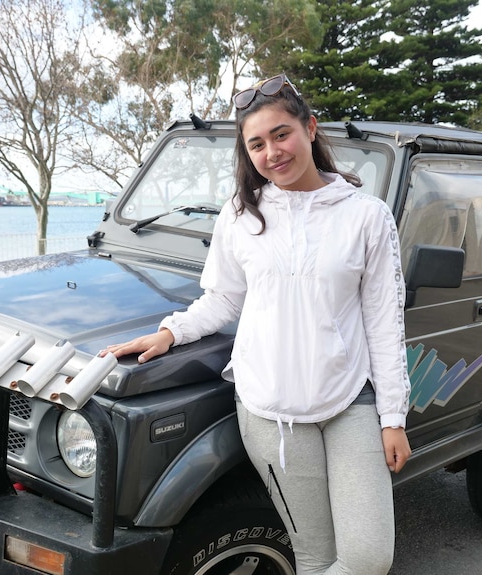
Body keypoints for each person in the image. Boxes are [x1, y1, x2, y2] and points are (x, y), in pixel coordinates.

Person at [103, 73, 411, 575]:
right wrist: (170, 332)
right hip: (268, 410)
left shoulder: (367, 216)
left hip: (350, 399)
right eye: (257, 144)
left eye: (282, 134)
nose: (273, 152)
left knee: (367, 558)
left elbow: (383, 323)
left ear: (310, 129)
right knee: (313, 554)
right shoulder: (239, 215)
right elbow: (223, 298)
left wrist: (393, 418)